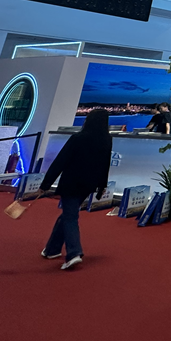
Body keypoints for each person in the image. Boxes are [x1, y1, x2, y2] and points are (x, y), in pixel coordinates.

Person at [35, 108, 112, 270]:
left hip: (71, 183)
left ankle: (74, 253)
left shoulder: (78, 138)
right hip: (88, 185)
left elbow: (60, 162)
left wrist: (45, 185)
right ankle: (52, 250)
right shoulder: (106, 139)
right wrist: (102, 185)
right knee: (67, 215)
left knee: (70, 217)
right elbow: (105, 164)